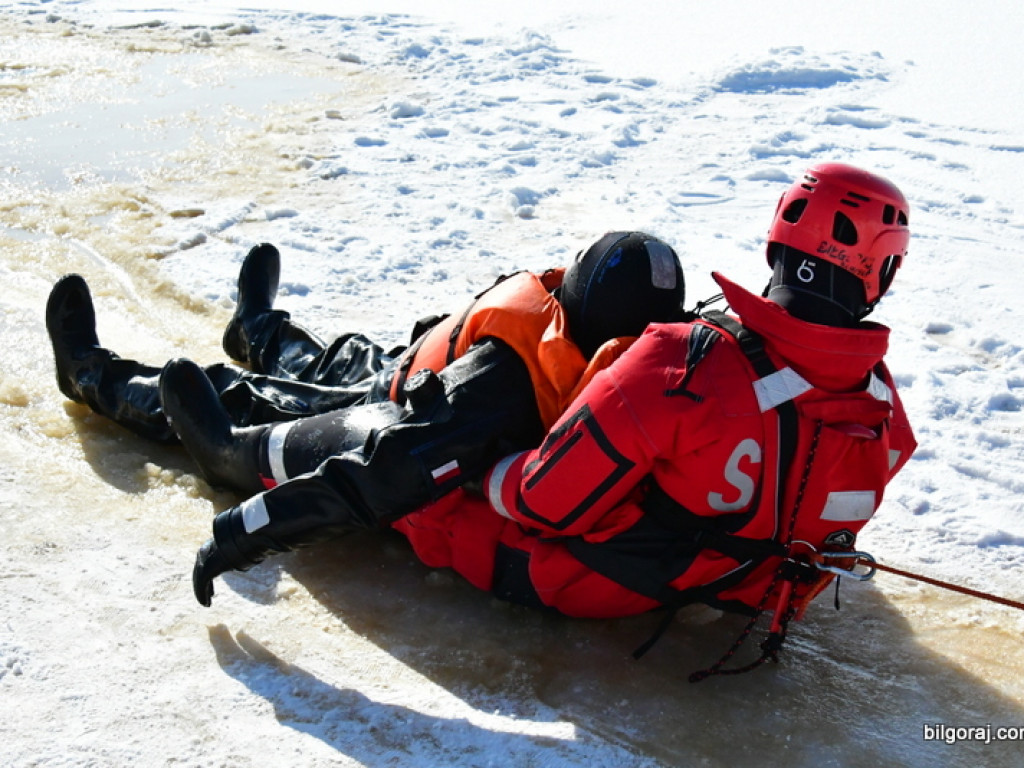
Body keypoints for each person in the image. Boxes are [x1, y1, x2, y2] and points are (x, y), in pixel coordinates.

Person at [176, 163, 916, 675]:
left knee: (369, 423)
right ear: (879, 274)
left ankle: (161, 399)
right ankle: (262, 332)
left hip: (567, 576)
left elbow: (542, 499)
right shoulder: (883, 412)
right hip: (712, 586)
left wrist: (476, 457)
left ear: (779, 244)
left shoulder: (683, 362)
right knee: (373, 368)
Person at [46, 232, 686, 490]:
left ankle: (91, 376)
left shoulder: (512, 379)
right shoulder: (631, 363)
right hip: (413, 375)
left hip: (403, 415)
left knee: (244, 398)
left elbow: (420, 441)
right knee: (343, 355)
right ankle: (256, 328)